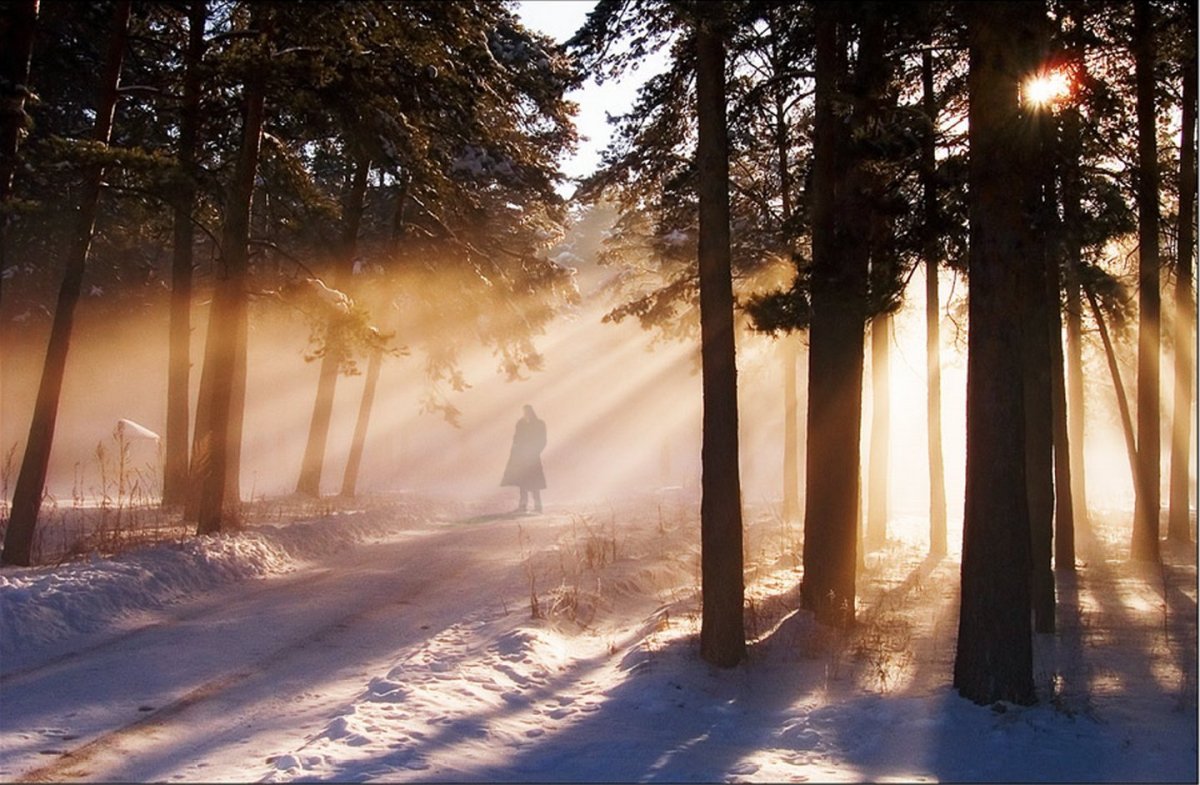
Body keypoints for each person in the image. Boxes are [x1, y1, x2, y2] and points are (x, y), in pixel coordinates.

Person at [501, 404, 546, 513]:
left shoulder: (539, 424)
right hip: (521, 457)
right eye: (524, 411)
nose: (526, 413)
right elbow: (516, 438)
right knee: (523, 482)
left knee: (534, 482)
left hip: (533, 457)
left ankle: (538, 506)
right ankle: (523, 506)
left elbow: (542, 440)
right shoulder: (520, 423)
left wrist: (536, 451)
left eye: (527, 411)